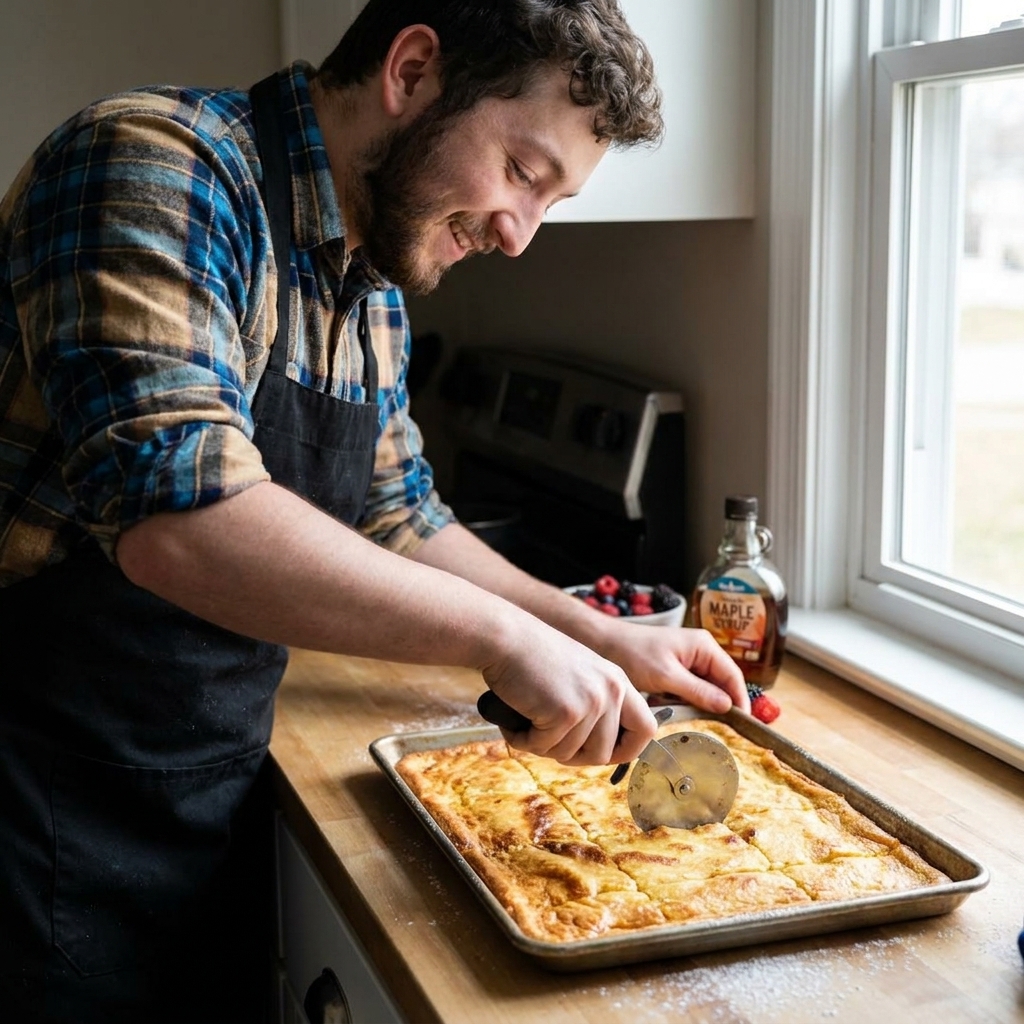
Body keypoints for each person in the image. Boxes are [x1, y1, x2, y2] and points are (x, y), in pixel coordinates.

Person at [0, 1, 748, 1020]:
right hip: (35, 783)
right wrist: (500, 637)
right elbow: (180, 519)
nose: (518, 236)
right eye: (523, 173)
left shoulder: (373, 280)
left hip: (206, 774)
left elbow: (401, 516)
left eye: (550, 202)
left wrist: (595, 635)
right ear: (409, 71)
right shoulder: (154, 165)